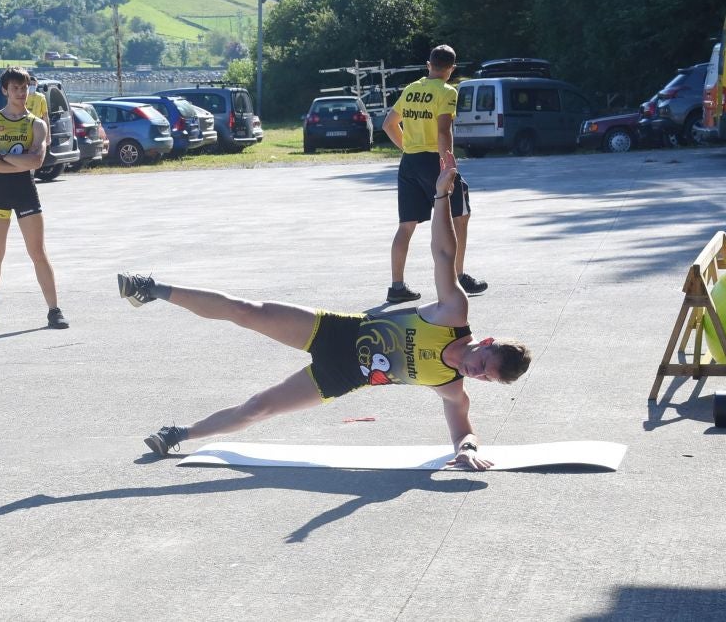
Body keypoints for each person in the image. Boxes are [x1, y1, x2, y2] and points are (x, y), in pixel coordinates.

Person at [121, 167, 531, 469]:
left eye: (483, 378)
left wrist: (468, 449)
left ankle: (179, 434)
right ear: (487, 342)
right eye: (480, 364)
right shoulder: (453, 314)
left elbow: (462, 431)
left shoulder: (451, 387)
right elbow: (444, 254)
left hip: (342, 376)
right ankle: (151, 289)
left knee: (258, 407)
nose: (473, 372)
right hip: (338, 331)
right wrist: (442, 197)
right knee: (247, 311)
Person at [380, 44, 485, 304]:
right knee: (460, 216)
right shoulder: (447, 91)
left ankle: (396, 286)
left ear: (429, 65)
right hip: (433, 161)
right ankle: (458, 277)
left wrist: (408, 147)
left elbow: (388, 125)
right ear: (451, 69)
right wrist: (447, 163)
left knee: (406, 225)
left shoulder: (411, 89)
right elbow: (443, 130)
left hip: (409, 163)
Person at [0, 67, 66, 332]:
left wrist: (2, 157)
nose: (21, 93)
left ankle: (54, 310)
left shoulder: (37, 123)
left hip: (26, 190)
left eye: (24, 88)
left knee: (38, 252)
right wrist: (16, 161)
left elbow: (37, 161)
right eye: (15, 88)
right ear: (5, 90)